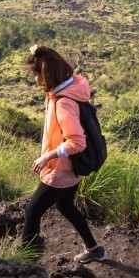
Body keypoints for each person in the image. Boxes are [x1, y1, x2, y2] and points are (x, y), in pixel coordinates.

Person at [20, 44, 108, 263]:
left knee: (32, 211)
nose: (36, 80)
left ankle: (26, 263)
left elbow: (77, 142)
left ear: (47, 74)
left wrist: (47, 156)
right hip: (73, 167)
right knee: (65, 206)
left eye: (37, 74)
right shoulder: (72, 88)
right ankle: (94, 250)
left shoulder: (64, 102)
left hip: (62, 169)